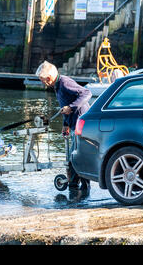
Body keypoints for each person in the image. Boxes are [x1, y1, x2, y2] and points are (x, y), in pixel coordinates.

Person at [36, 61, 92, 193]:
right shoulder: (57, 86)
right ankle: (77, 188)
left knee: (75, 156)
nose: (42, 83)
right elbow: (65, 106)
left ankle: (81, 188)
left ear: (49, 78)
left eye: (42, 80)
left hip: (81, 124)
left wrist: (71, 107)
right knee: (76, 156)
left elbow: (86, 93)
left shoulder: (65, 82)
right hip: (73, 125)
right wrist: (65, 125)